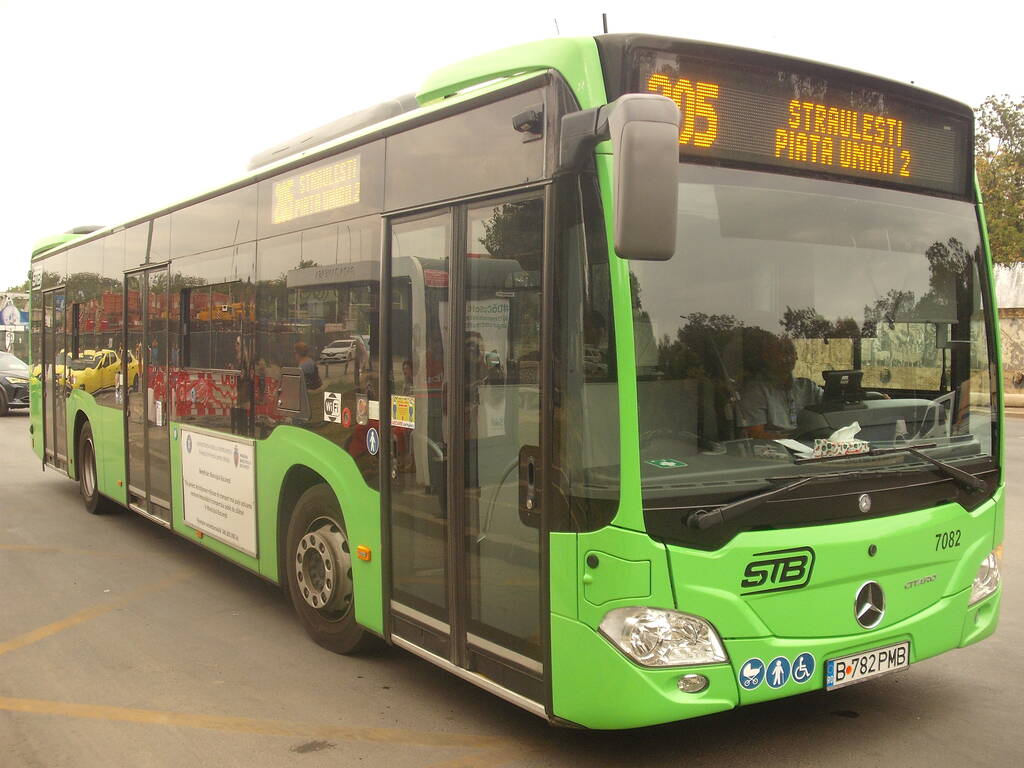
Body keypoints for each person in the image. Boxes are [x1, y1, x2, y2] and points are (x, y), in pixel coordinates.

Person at [736, 329, 821, 439]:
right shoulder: (755, 391)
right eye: (782, 353)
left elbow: (833, 405)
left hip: (811, 445)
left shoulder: (808, 387)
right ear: (767, 357)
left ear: (796, 356)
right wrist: (795, 442)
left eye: (791, 352)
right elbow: (755, 435)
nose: (788, 358)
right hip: (773, 448)